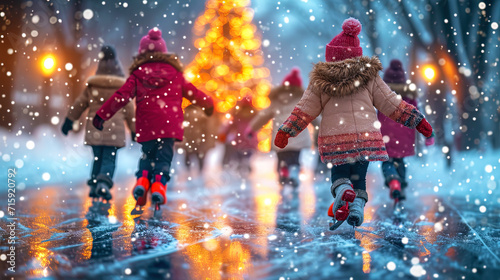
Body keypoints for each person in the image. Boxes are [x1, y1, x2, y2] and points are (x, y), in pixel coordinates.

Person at [274, 18, 433, 229]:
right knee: (360, 178)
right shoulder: (369, 77)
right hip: (365, 140)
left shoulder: (321, 80)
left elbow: (305, 110)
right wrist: (417, 120)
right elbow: (392, 103)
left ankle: (342, 190)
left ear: (330, 56)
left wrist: (287, 130)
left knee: (339, 174)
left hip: (336, 139)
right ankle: (357, 207)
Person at [93, 28, 214, 211]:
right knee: (163, 160)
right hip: (169, 128)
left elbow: (121, 96)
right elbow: (193, 93)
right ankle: (159, 185)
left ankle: (142, 180)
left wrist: (102, 114)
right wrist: (208, 104)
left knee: (147, 156)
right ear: (163, 52)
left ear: (142, 53)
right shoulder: (175, 74)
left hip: (147, 127)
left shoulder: (138, 74)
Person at [62, 45, 135, 201]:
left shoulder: (93, 85)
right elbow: (130, 111)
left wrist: (69, 121)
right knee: (109, 159)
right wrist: (135, 130)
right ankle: (103, 182)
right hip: (114, 132)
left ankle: (95, 185)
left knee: (97, 158)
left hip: (95, 129)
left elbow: (79, 104)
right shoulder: (122, 87)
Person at [378, 59, 435, 202]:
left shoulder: (382, 95)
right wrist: (428, 134)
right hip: (405, 133)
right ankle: (401, 187)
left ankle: (393, 181)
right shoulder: (409, 96)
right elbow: (417, 114)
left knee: (387, 161)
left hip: (386, 133)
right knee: (400, 160)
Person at [247, 68, 313, 187]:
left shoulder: (277, 101)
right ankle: (293, 170)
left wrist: (252, 128)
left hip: (280, 137)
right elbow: (313, 116)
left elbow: (263, 116)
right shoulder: (302, 101)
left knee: (282, 158)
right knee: (294, 158)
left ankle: (283, 171)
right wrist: (321, 126)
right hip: (297, 136)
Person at [218, 97, 258, 177]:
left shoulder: (238, 114)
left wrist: (224, 134)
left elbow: (230, 126)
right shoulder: (254, 114)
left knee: (239, 155)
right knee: (247, 155)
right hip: (250, 139)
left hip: (239, 139)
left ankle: (240, 167)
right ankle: (245, 163)